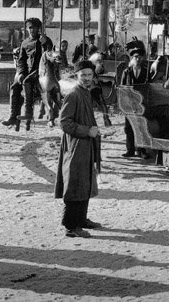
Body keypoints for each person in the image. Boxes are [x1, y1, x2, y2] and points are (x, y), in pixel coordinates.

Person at [54, 60, 102, 238]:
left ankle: (81, 219)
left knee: (85, 182)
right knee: (75, 183)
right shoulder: (73, 95)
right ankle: (70, 225)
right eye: (83, 75)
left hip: (86, 145)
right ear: (77, 76)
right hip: (75, 147)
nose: (87, 78)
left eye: (89, 75)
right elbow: (64, 122)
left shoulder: (85, 93)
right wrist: (87, 131)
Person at [120, 40, 151, 158]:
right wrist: (123, 103)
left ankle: (141, 150)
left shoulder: (146, 72)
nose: (138, 59)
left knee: (141, 126)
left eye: (139, 57)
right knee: (129, 127)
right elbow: (122, 88)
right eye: (135, 57)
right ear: (132, 58)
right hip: (129, 103)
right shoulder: (126, 72)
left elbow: (149, 88)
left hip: (141, 103)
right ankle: (130, 150)